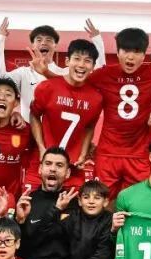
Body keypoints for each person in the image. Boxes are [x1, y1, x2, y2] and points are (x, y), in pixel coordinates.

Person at [89, 27, 151, 195]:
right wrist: (46, 72)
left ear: (144, 55)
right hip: (108, 152)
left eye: (137, 52)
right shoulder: (104, 74)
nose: (131, 57)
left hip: (139, 152)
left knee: (137, 201)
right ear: (117, 52)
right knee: (101, 200)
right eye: (126, 50)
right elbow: (73, 82)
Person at [0, 19, 106, 118]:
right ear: (33, 45)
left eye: (49, 40)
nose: (44, 43)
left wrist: (97, 41)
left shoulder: (66, 73)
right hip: (30, 132)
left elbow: (100, 75)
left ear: (55, 46)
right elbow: (0, 78)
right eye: (39, 40)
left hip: (58, 132)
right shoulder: (23, 73)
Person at [28, 39, 103, 188]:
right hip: (45, 160)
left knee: (74, 202)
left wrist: (83, 154)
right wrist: (41, 147)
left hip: (73, 166)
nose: (81, 65)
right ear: (67, 61)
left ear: (93, 66)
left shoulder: (96, 97)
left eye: (87, 61)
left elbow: (89, 127)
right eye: (77, 59)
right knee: (33, 201)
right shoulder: (47, 87)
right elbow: (34, 115)